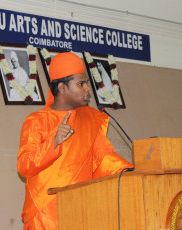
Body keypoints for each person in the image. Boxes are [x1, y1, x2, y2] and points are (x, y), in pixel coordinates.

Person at [17, 52, 133, 230]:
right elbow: (24, 166)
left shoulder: (89, 119)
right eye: (81, 84)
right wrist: (53, 142)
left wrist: (129, 171)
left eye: (86, 82)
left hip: (81, 212)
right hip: (45, 217)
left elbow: (103, 158)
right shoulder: (37, 121)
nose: (88, 88)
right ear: (62, 88)